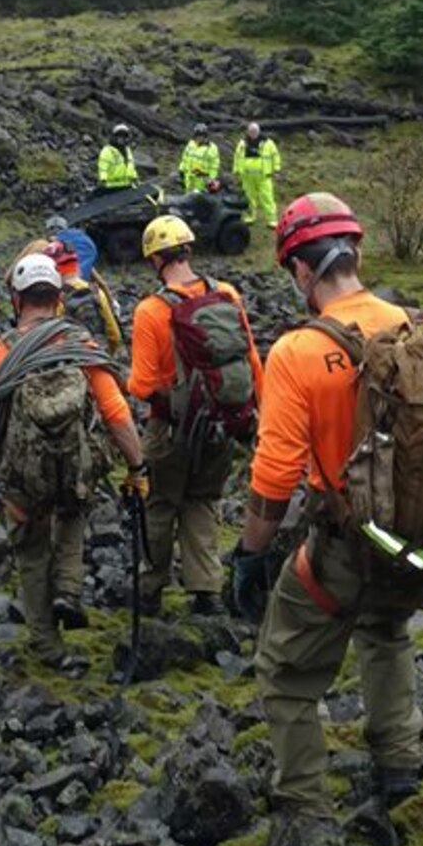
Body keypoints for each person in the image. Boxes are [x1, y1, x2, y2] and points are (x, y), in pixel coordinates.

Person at [230, 192, 422, 846]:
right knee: (386, 633)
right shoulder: (411, 325)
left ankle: (306, 813)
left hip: (344, 545)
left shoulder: (298, 352)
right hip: (413, 542)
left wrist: (251, 555)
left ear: (298, 272)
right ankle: (399, 764)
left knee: (284, 674)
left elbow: (275, 476)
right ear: (357, 256)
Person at [0, 252, 144, 668]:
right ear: (59, 298)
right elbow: (117, 414)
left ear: (17, 298)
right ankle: (68, 589)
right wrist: (138, 466)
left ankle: (48, 646)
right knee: (73, 513)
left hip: (22, 479)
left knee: (30, 554)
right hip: (73, 469)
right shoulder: (81, 346)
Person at [128, 214, 264, 618]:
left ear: (155, 259)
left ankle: (150, 590)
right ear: (189, 249)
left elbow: (141, 384)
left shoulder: (151, 311)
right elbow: (252, 360)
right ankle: (206, 591)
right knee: (203, 502)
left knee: (160, 504)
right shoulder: (227, 294)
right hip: (221, 423)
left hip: (170, 430)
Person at [233, 121, 281, 227]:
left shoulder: (267, 143)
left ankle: (272, 219)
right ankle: (250, 217)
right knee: (249, 197)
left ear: (258, 131)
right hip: (247, 176)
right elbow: (237, 156)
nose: (253, 133)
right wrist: (236, 169)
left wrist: (276, 169)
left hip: (264, 175)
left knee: (267, 197)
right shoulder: (243, 143)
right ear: (248, 132)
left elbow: (275, 156)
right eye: (251, 131)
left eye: (255, 131)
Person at [179, 125, 221, 193]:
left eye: (201, 136)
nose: (199, 138)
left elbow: (214, 166)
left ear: (205, 136)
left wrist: (211, 179)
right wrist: (181, 169)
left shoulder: (212, 148)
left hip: (202, 180)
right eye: (197, 136)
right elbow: (184, 158)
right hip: (189, 179)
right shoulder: (190, 144)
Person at [97, 123, 138, 190]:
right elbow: (102, 167)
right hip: (111, 186)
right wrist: (103, 180)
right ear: (114, 137)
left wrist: (135, 177)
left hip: (126, 185)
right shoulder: (107, 151)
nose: (121, 139)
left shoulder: (127, 150)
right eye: (119, 136)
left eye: (124, 137)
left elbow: (131, 165)